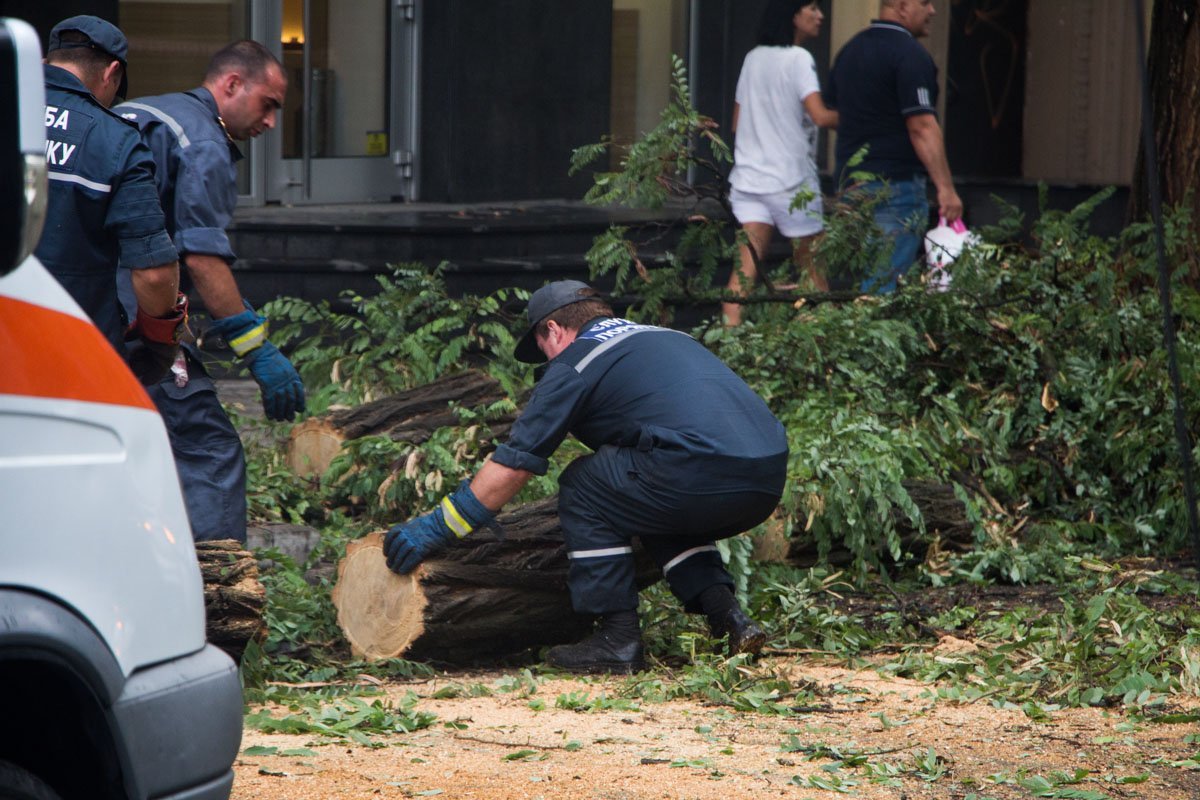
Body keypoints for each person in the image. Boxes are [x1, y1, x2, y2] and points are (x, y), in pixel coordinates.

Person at [383, 281, 789, 673]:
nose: (546, 361)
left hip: (693, 471)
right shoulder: (667, 337)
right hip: (766, 476)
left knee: (585, 485)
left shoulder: (578, 359)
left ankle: (618, 639)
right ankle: (728, 619)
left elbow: (514, 465)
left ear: (554, 330)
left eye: (542, 349)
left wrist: (437, 526)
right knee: (640, 494)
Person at [113, 41, 305, 542]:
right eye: (270, 104)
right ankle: (217, 599)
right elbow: (201, 258)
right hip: (132, 308)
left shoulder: (140, 113)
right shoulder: (202, 140)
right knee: (207, 448)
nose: (270, 123)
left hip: (69, 302)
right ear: (232, 85)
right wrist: (256, 348)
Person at [36, 16, 186, 381]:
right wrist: (160, 343)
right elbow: (153, 275)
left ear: (45, 63)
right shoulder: (117, 142)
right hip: (75, 355)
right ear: (111, 74)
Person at [826, 0, 963, 293]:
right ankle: (865, 339)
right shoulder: (911, 55)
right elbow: (921, 126)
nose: (933, 11)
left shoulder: (849, 52)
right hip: (895, 189)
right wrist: (946, 188)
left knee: (864, 282)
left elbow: (836, 115)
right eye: (925, 3)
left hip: (850, 187)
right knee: (883, 289)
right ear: (902, 6)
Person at [723, 0, 838, 326]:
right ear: (793, 15)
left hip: (750, 182)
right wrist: (860, 118)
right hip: (792, 183)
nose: (820, 15)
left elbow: (736, 122)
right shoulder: (799, 58)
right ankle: (824, 355)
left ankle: (727, 348)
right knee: (813, 277)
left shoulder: (753, 57)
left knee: (741, 278)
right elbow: (819, 114)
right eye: (812, 8)